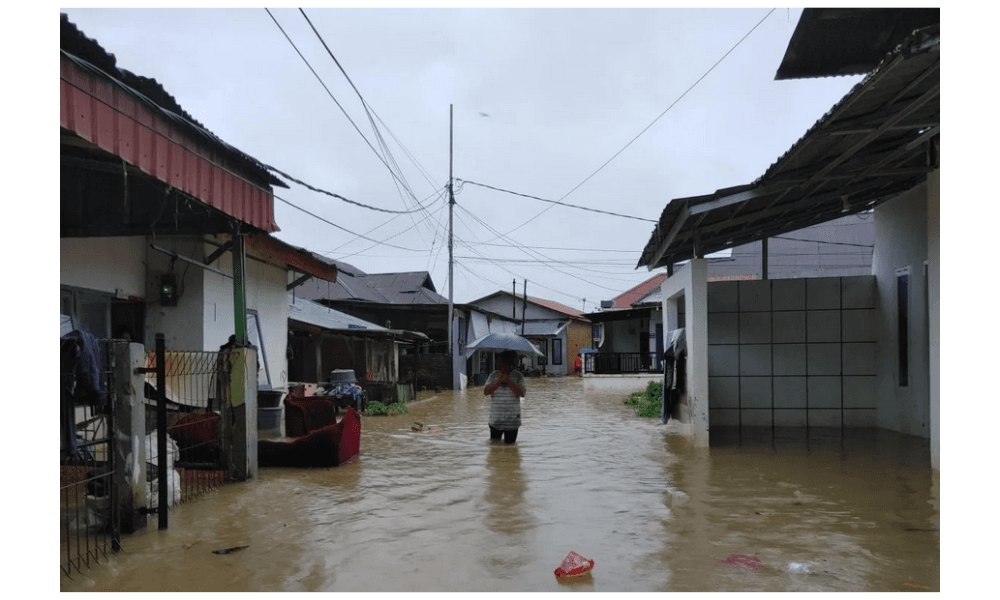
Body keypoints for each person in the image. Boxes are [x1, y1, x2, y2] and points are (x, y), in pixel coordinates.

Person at [483, 350, 526, 443]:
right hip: (495, 420)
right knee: (494, 451)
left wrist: (509, 382)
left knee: (511, 450)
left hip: (512, 421)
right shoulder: (493, 375)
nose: (499, 364)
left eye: (501, 362)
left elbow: (521, 393)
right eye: (498, 362)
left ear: (510, 363)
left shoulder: (518, 376)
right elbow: (486, 391)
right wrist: (498, 382)